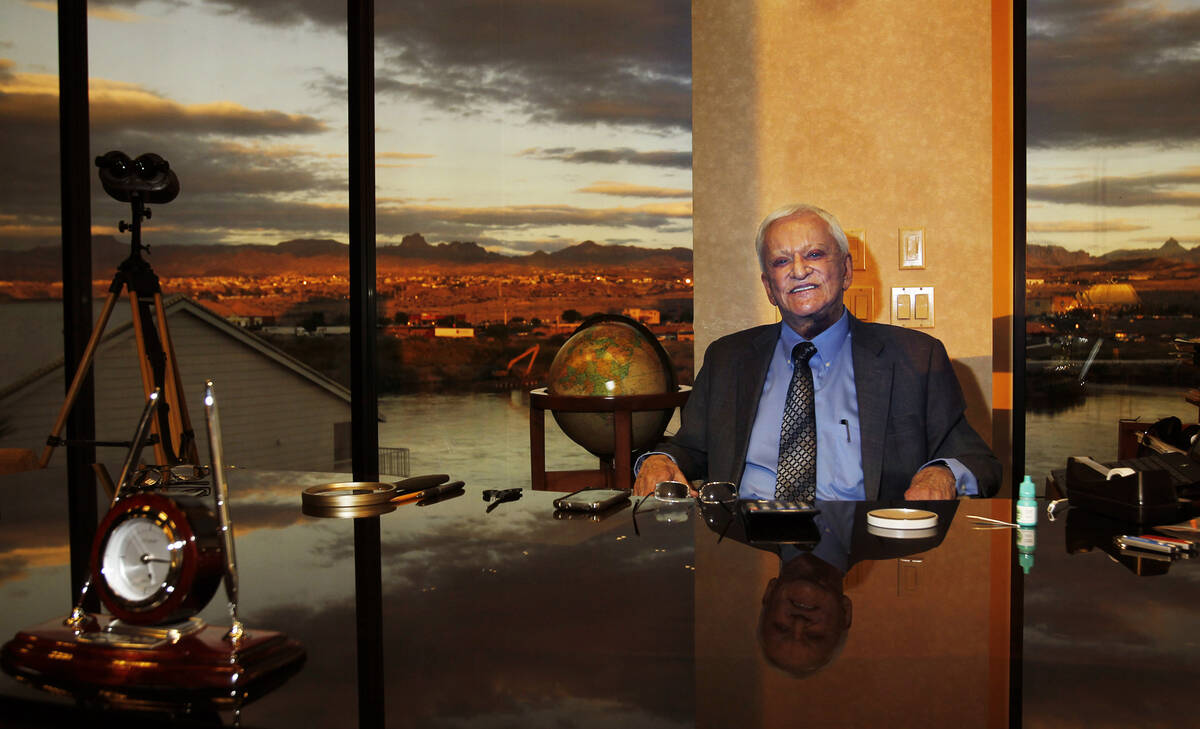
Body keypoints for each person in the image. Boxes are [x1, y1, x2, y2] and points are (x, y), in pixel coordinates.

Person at [634, 204, 1001, 500]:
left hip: (868, 552)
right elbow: (692, 449)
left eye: (814, 253)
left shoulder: (916, 357)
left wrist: (942, 473)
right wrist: (659, 459)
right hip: (747, 546)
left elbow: (978, 460)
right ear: (768, 287)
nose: (798, 270)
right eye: (780, 261)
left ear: (845, 271)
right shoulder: (727, 359)